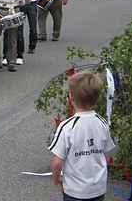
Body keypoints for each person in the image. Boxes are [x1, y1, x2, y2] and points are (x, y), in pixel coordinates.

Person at [49, 72, 116, 201]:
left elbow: (57, 162)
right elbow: (106, 155)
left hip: (75, 191)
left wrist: (57, 180)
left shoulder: (67, 127)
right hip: (98, 189)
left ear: (71, 98)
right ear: (96, 99)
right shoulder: (102, 123)